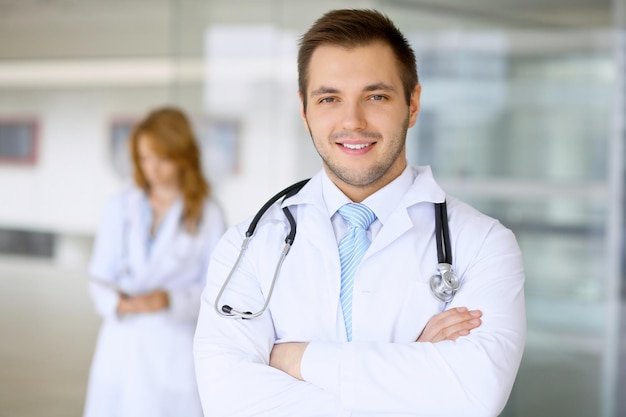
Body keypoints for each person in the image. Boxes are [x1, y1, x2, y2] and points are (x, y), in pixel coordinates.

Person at [193, 8, 525, 417]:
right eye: (329, 98)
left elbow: (475, 396)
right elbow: (228, 400)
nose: (352, 120)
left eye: (376, 96)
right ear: (305, 110)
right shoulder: (249, 243)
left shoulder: (483, 243)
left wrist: (296, 359)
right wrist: (411, 367)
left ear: (413, 103)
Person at [84, 107, 226, 417]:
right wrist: (118, 303)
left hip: (173, 341)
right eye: (145, 158)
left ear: (183, 155)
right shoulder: (122, 205)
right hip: (120, 338)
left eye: (162, 158)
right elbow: (99, 275)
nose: (153, 169)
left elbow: (217, 290)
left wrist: (169, 299)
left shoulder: (207, 213)